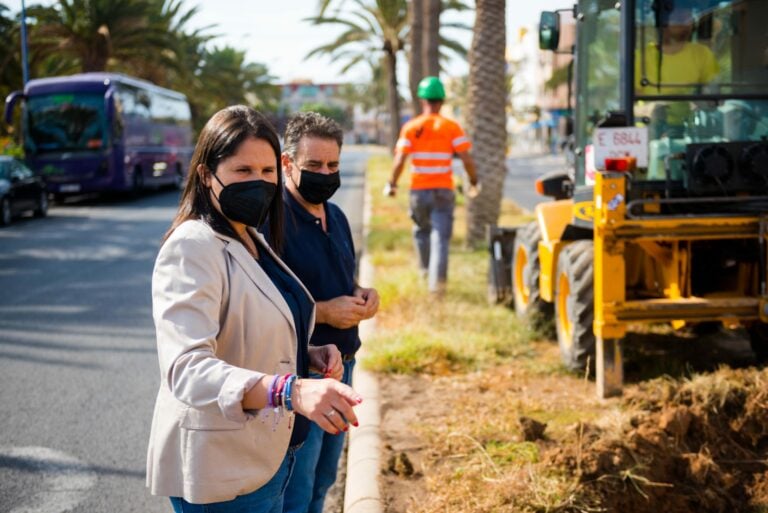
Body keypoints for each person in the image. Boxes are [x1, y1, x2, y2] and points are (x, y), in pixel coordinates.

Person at [146, 105, 362, 513]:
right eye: (243, 171)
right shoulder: (193, 244)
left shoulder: (251, 237)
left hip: (267, 457)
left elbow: (250, 330)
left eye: (267, 173)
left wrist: (309, 355)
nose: (259, 183)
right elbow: (186, 368)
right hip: (222, 471)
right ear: (207, 174)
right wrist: (291, 390)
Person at [274, 112, 379, 513]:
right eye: (314, 165)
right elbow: (268, 306)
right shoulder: (273, 223)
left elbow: (342, 277)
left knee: (324, 481)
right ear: (288, 164)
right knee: (297, 490)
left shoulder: (335, 215)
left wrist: (363, 294)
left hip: (345, 368)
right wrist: (324, 314)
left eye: (333, 165)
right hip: (307, 377)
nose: (326, 174)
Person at [385, 76, 479, 295]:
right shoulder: (451, 127)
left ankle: (425, 273)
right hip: (444, 191)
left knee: (421, 232)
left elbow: (399, 160)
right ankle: (437, 287)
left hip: (418, 191)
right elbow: (466, 158)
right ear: (442, 101)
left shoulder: (411, 127)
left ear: (422, 100)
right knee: (440, 238)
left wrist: (392, 184)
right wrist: (474, 181)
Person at [636, 6, 719, 130]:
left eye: (689, 18)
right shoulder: (640, 58)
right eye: (679, 19)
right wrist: (651, 109)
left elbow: (715, 96)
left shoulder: (702, 54)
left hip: (693, 131)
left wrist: (703, 103)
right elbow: (629, 106)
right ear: (662, 22)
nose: (686, 23)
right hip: (651, 133)